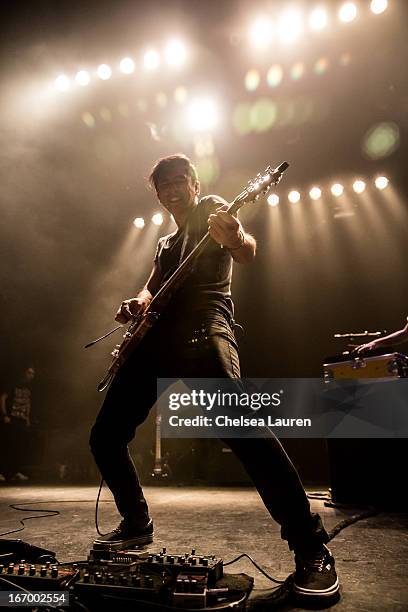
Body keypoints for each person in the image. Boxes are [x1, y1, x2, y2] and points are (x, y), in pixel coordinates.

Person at [89, 154, 339, 600]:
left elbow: (246, 250)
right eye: (165, 184)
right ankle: (136, 521)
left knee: (244, 431)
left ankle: (312, 548)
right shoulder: (165, 244)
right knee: (105, 436)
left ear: (195, 184)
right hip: (157, 341)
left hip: (205, 328)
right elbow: (152, 288)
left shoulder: (212, 210)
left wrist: (237, 235)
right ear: (158, 193)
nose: (174, 189)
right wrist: (136, 303)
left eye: (181, 180)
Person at [0, 366, 35, 481]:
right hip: (12, 418)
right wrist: (4, 415)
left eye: (33, 373)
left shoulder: (29, 388)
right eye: (29, 373)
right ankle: (3, 472)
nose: (31, 375)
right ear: (24, 373)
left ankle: (15, 472)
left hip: (22, 420)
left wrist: (28, 418)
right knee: (8, 446)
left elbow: (28, 403)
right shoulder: (14, 384)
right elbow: (3, 398)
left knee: (18, 447)